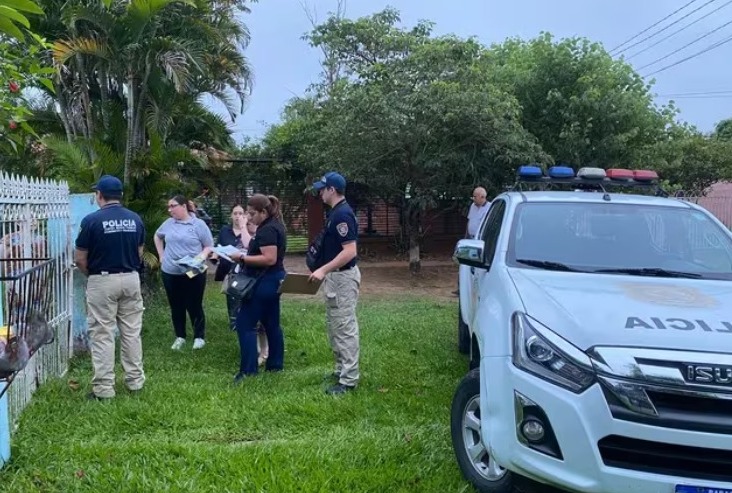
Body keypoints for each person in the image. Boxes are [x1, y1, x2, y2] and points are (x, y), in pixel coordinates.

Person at [74, 175, 146, 400]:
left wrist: (92, 275)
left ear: (100, 195)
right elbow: (140, 253)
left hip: (102, 280)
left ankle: (104, 388)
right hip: (131, 278)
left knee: (102, 333)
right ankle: (135, 382)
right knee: (132, 331)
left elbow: (80, 258)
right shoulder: (135, 220)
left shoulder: (91, 221)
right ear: (120, 195)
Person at [308, 171, 361, 395]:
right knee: (334, 325)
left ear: (332, 190)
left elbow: (350, 251)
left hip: (342, 277)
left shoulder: (342, 216)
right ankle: (341, 369)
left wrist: (323, 269)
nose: (319, 192)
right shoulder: (336, 213)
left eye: (322, 188)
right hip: (335, 277)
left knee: (344, 327)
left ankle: (348, 379)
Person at [228, 194, 286, 383]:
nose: (249, 218)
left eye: (253, 214)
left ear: (264, 211)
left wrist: (242, 258)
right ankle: (275, 365)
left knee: (245, 324)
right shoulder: (275, 225)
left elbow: (270, 258)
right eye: (248, 213)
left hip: (263, 281)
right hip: (274, 280)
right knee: (271, 324)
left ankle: (248, 370)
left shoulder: (268, 229)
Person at [154, 195, 214, 351]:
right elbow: (157, 236)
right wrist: (161, 255)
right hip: (170, 271)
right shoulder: (168, 223)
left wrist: (201, 257)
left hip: (193, 270)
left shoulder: (198, 224)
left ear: (184, 206)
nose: (170, 209)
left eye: (173, 206)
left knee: (194, 304)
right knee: (176, 305)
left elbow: (209, 246)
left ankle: (199, 337)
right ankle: (180, 336)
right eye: (169, 206)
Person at [214, 205, 269, 365]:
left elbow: (249, 246)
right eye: (236, 214)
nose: (241, 218)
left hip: (257, 279)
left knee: (261, 320)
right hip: (240, 278)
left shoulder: (260, 232)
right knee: (243, 316)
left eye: (244, 215)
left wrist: (244, 229)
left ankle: (264, 352)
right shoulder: (228, 232)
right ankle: (253, 351)